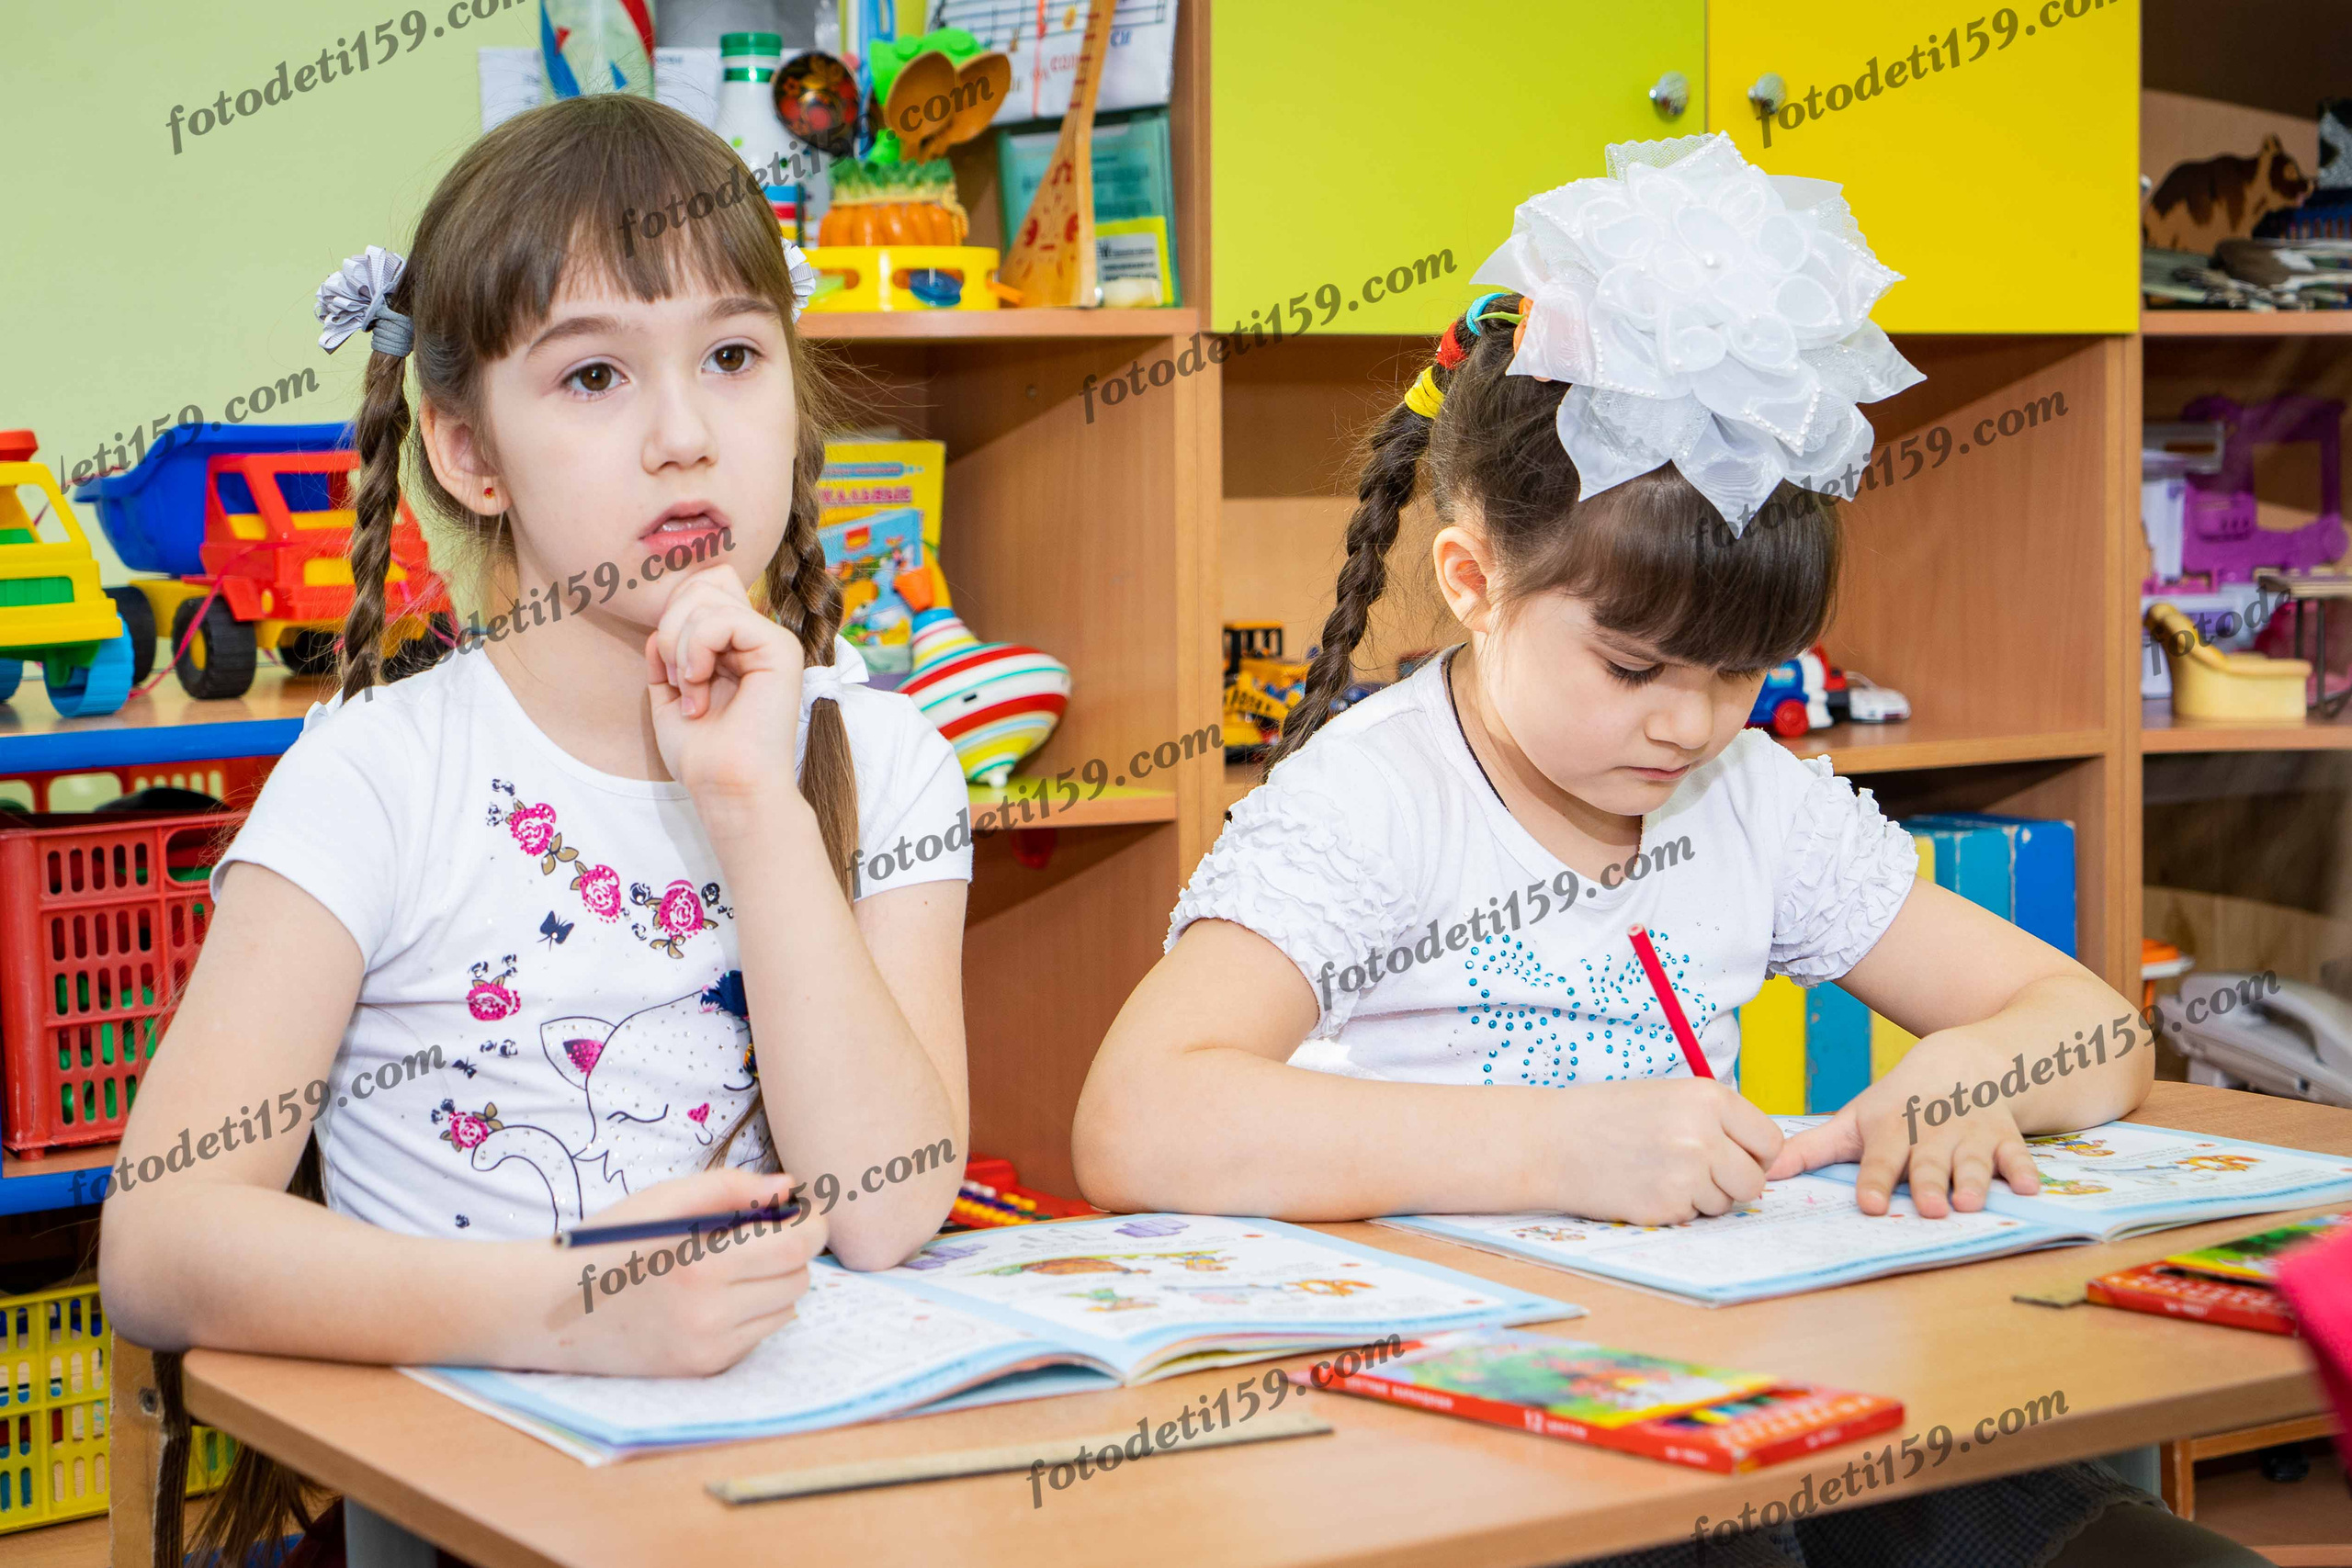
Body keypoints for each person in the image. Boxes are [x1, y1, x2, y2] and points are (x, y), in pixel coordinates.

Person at [1074, 134, 2265, 1568]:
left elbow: (2096, 1027)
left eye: (1742, 670)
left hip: (1745, 1381)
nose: (1691, 723)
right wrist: (1556, 1148)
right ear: (1474, 579)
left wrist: (1971, 1071)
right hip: (1470, 1429)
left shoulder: (1749, 795)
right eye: (1635, 668)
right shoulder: (1367, 805)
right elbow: (1140, 1122)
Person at [98, 94, 971, 1566]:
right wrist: (567, 1306)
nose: (686, 438)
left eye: (735, 357)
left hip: (803, 1499)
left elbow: (885, 1213)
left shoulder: (882, 757)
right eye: (591, 380)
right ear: (467, 450)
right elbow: (158, 1244)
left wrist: (755, 804)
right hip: (471, 1519)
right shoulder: (378, 776)